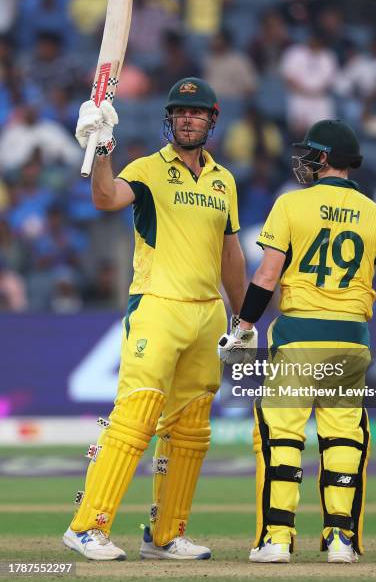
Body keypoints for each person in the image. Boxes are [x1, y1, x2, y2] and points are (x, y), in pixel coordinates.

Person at [218, 119, 376, 564]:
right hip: (350, 341)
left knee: (281, 438)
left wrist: (243, 325)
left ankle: (277, 539)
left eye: (310, 153)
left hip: (299, 336)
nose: (302, 160)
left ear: (324, 159)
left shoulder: (290, 205)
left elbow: (266, 275)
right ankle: (340, 540)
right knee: (343, 439)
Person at [62, 77, 246, 561]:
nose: (188, 119)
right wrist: (101, 146)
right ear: (170, 120)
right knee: (136, 416)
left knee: (190, 430)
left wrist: (245, 320)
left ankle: (165, 535)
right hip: (157, 306)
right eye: (181, 113)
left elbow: (231, 256)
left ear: (212, 119)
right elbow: (104, 198)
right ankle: (87, 527)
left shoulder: (224, 181)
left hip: (208, 314)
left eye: (198, 113)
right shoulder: (146, 169)